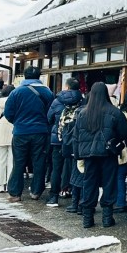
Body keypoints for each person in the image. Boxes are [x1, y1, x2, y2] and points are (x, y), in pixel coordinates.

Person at [73, 82, 127, 229]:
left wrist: (78, 156)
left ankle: (87, 218)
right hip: (108, 154)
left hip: (88, 156)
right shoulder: (115, 112)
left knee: (89, 185)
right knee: (109, 184)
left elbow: (76, 137)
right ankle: (107, 218)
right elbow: (124, 133)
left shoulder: (82, 113)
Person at [3, 67, 54, 202]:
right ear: (39, 76)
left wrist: (18, 122)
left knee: (18, 162)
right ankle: (36, 191)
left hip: (21, 132)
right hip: (41, 132)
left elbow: (8, 113)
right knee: (39, 161)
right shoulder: (47, 92)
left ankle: (15, 193)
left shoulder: (16, 92)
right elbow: (51, 113)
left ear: (25, 76)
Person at [46, 78, 83, 208]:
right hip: (75, 140)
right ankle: (73, 195)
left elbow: (49, 118)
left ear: (66, 87)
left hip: (58, 139)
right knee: (75, 167)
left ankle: (54, 197)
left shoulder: (57, 101)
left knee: (56, 168)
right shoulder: (82, 101)